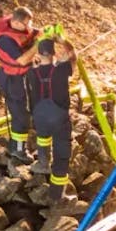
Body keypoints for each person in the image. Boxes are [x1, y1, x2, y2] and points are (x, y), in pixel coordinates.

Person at [0, 6, 43, 162]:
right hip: (11, 79)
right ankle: (17, 149)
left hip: (24, 75)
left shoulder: (20, 28)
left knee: (31, 105)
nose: (29, 28)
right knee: (20, 115)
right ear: (17, 23)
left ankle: (27, 134)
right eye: (26, 25)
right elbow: (22, 60)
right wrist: (38, 45)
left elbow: (33, 34)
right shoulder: (5, 40)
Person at [28, 38, 77, 199]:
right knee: (62, 154)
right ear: (54, 53)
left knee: (43, 137)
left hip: (39, 116)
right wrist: (62, 40)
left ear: (38, 53)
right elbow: (72, 56)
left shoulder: (31, 72)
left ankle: (43, 162)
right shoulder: (61, 69)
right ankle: (57, 194)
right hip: (59, 118)